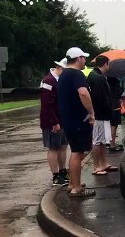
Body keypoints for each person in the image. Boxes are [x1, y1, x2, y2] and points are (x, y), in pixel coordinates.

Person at [57, 47, 96, 197]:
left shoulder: (64, 74)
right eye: (83, 58)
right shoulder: (76, 74)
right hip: (78, 121)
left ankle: (73, 183)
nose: (85, 60)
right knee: (77, 152)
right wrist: (91, 112)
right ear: (78, 58)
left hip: (69, 120)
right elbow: (83, 93)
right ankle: (76, 188)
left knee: (76, 152)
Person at [40, 58, 69, 186]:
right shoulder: (48, 81)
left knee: (63, 146)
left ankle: (63, 171)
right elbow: (47, 105)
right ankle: (56, 176)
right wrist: (54, 122)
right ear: (61, 68)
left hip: (62, 120)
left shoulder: (60, 80)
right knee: (53, 148)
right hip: (52, 121)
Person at [87, 56, 118, 175]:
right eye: (108, 64)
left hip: (102, 114)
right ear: (105, 64)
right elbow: (101, 98)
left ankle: (104, 163)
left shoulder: (96, 76)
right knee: (97, 141)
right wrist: (109, 109)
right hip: (100, 114)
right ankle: (97, 166)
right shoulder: (97, 78)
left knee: (103, 140)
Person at [107, 76, 124, 152]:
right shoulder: (115, 79)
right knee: (114, 125)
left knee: (111, 125)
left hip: (109, 104)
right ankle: (112, 145)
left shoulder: (105, 79)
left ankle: (110, 143)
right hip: (115, 105)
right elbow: (119, 92)